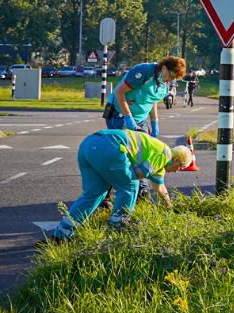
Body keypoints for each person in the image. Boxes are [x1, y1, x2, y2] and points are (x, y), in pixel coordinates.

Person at [40, 129, 193, 242]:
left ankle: (62, 235)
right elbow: (138, 175)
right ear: (177, 161)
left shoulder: (160, 160)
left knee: (94, 194)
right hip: (110, 146)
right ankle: (118, 228)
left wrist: (169, 207)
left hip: (89, 144)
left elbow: (160, 187)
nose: (177, 172)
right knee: (130, 186)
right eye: (180, 168)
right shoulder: (164, 154)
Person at [106, 55, 185, 138]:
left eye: (175, 78)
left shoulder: (165, 83)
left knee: (145, 146)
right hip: (117, 114)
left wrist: (154, 123)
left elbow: (152, 99)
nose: (171, 80)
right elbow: (119, 92)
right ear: (164, 68)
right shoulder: (144, 71)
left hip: (139, 120)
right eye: (171, 76)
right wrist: (128, 117)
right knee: (126, 147)